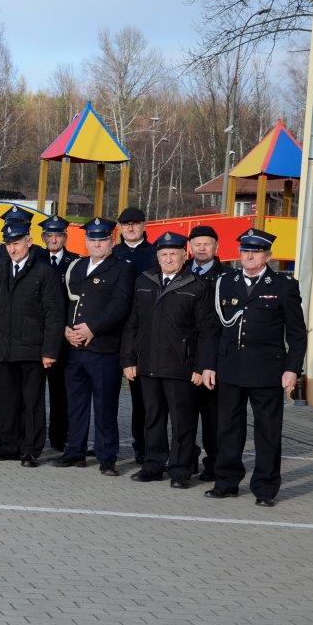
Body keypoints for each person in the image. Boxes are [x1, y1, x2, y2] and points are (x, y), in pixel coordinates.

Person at [204, 228, 307, 507]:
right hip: (230, 368)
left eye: (256, 251)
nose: (249, 255)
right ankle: (226, 482)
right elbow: (212, 328)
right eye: (245, 250)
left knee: (268, 431)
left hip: (267, 371)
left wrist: (292, 369)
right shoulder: (225, 281)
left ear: (268, 256)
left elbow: (297, 333)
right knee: (228, 428)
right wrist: (208, 365)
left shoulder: (284, 285)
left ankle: (265, 488)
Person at [120, 232, 218, 488]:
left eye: (174, 253)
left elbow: (208, 331)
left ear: (184, 255)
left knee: (182, 422)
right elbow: (132, 324)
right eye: (163, 254)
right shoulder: (144, 281)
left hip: (182, 367)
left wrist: (201, 366)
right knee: (152, 418)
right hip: (149, 364)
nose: (168, 258)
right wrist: (129, 359)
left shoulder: (196, 285)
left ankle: (181, 470)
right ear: (157, 256)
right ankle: (153, 466)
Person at [0, 220, 64, 467]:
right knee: (6, 402)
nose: (12, 249)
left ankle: (30, 449)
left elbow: (53, 314)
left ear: (29, 242)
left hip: (32, 351)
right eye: (8, 245)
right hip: (2, 350)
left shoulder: (44, 271)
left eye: (16, 243)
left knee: (31, 402)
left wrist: (49, 350)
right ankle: (9, 446)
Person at [55, 217, 135, 475]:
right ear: (86, 241)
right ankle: (75, 451)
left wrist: (93, 328)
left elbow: (119, 307)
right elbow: (68, 302)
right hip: (75, 348)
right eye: (92, 239)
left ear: (112, 241)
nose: (97, 244)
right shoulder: (76, 267)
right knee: (75, 404)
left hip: (103, 349)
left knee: (105, 406)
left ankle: (107, 457)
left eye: (102, 239)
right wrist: (66, 329)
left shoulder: (122, 269)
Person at [113, 205, 157, 465]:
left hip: (143, 333)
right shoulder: (113, 253)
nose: (130, 227)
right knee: (107, 394)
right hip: (113, 332)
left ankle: (144, 447)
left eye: (135, 223)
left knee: (143, 397)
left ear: (143, 226)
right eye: (126, 223)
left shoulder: (154, 255)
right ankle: (108, 444)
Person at [183, 224, 225, 479]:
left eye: (207, 243)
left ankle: (214, 465)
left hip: (213, 359)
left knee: (213, 419)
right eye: (197, 243)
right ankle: (186, 462)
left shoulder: (227, 277)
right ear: (189, 247)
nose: (201, 247)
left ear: (216, 247)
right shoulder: (180, 272)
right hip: (184, 357)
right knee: (184, 416)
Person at [41, 215, 79, 451]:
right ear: (43, 238)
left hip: (64, 336)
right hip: (39, 335)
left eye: (58, 236)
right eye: (49, 236)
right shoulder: (35, 259)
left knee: (60, 391)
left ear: (65, 237)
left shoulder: (74, 263)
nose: (54, 240)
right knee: (33, 392)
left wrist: (66, 326)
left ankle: (59, 437)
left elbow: (74, 301)